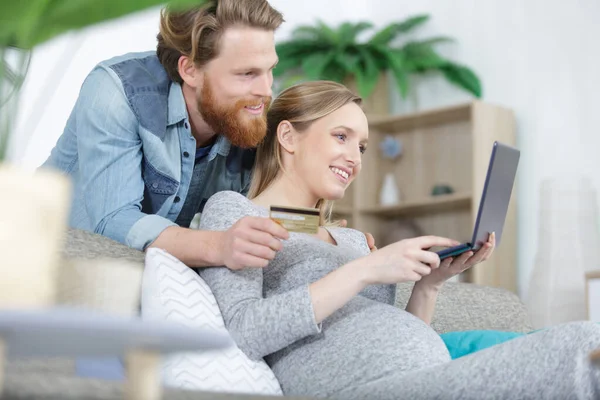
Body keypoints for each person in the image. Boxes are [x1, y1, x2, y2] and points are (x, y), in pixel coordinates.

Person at [196, 80, 600, 400]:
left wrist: (429, 284)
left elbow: (400, 334)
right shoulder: (237, 212)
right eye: (341, 136)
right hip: (351, 390)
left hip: (425, 376)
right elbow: (244, 331)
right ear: (287, 136)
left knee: (590, 342)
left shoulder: (351, 238)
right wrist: (364, 270)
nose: (355, 158)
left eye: (362, 146)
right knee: (582, 349)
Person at [41, 0, 375, 268]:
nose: (266, 90)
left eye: (270, 70)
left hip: (139, 278)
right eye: (247, 74)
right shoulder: (117, 92)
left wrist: (323, 235)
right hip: (47, 259)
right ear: (190, 70)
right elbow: (114, 221)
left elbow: (257, 215)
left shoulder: (247, 118)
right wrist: (218, 245)